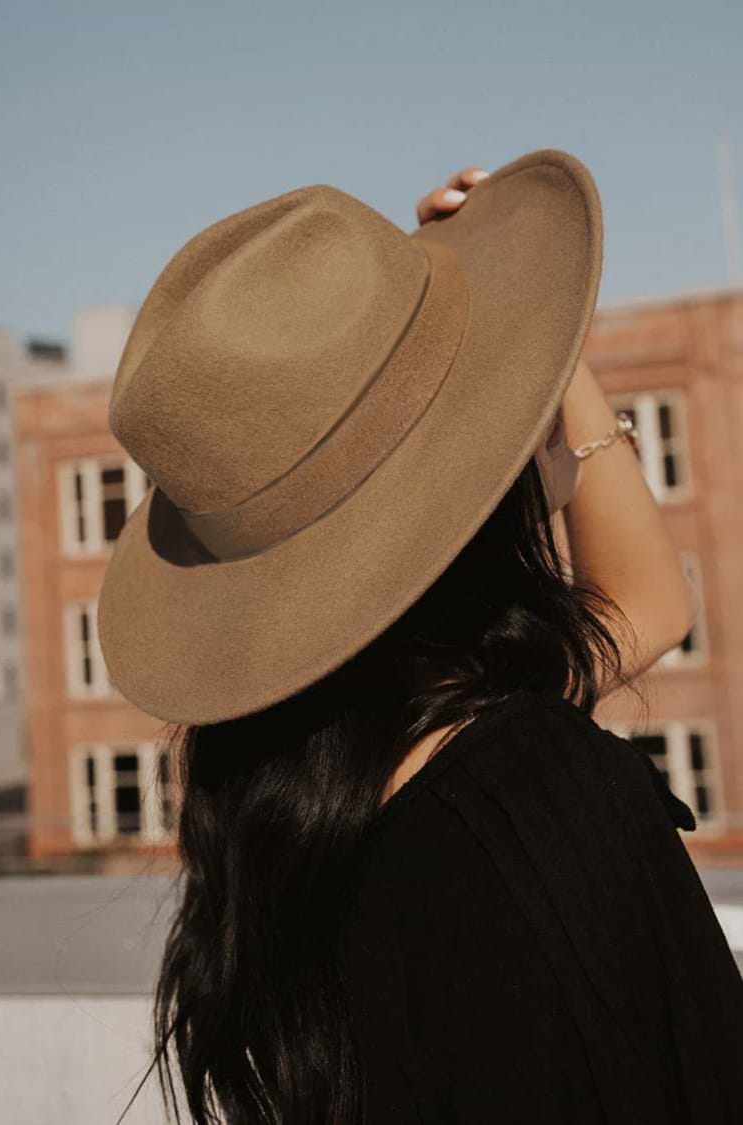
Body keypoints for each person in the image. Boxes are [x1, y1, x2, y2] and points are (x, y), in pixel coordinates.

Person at [101, 151, 743, 1125]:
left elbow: (649, 605)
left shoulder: (299, 787)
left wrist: (540, 351)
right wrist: (530, 342)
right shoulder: (537, 788)